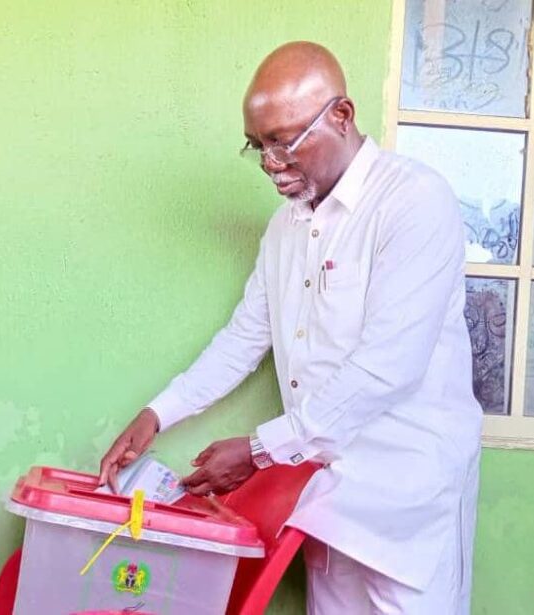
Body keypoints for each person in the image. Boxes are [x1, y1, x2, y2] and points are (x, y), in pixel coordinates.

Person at [99, 41, 482, 614]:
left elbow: (388, 366)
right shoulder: (286, 227)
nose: (271, 164)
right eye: (258, 146)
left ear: (342, 116)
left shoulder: (413, 202)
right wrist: (159, 412)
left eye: (283, 141)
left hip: (410, 502)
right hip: (326, 496)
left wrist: (258, 451)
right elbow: (245, 338)